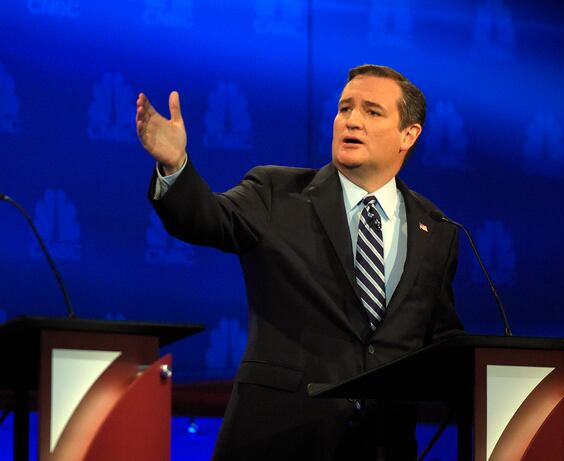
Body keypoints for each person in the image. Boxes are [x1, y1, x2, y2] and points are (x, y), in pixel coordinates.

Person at [136, 64, 463, 461]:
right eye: (345, 109)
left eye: (372, 112)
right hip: (277, 438)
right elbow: (209, 220)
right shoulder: (276, 192)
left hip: (382, 445)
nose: (351, 120)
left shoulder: (438, 230)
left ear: (408, 135)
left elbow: (441, 342)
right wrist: (176, 167)